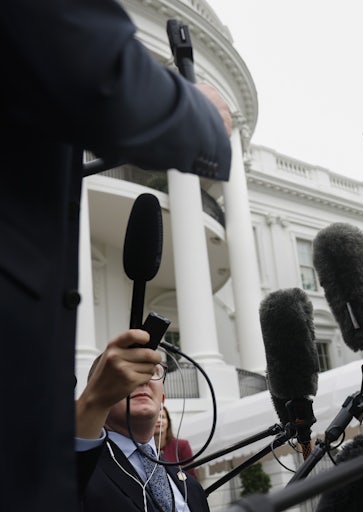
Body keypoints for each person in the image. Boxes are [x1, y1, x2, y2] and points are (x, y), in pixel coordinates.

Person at [1, 1, 231, 510]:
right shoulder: (85, 461)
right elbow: (99, 70)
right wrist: (199, 116)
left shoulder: (187, 483)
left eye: (154, 374)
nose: (147, 378)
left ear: (168, 397)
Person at [76, 331, 209, 511]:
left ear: (162, 399)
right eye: (126, 373)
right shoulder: (78, 472)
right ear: (103, 392)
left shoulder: (192, 488)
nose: (143, 380)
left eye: (152, 372)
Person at [156, 406, 198, 480]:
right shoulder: (142, 448)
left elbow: (192, 477)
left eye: (162, 417)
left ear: (168, 421)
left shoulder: (182, 446)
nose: (159, 420)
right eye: (155, 417)